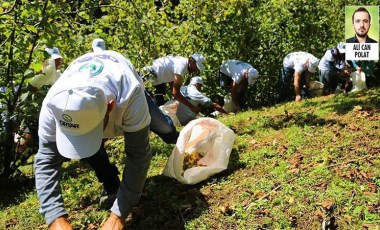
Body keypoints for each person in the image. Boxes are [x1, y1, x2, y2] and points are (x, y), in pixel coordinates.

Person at [34, 50, 152, 229]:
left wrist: (118, 217)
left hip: (124, 80)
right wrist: (55, 218)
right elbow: (46, 161)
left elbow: (138, 155)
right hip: (86, 76)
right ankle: (111, 183)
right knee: (91, 150)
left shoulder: (129, 93)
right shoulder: (52, 104)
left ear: (110, 107)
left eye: (90, 131)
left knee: (163, 126)